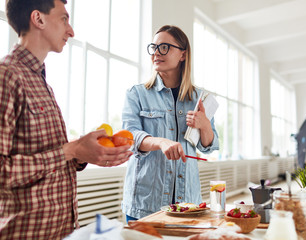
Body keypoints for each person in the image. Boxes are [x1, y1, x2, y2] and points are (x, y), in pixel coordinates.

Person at [0, 0, 132, 239]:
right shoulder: (6, 76)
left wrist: (83, 153)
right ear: (38, 19)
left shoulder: (43, 85)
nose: (71, 31)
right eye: (64, 19)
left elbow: (52, 156)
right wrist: (70, 151)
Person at [121, 25, 219, 221]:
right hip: (145, 203)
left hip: (188, 202)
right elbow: (129, 137)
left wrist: (205, 125)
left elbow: (209, 147)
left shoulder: (199, 98)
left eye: (164, 47)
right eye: (154, 47)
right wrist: (160, 142)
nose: (156, 53)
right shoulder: (136, 94)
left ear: (183, 54)